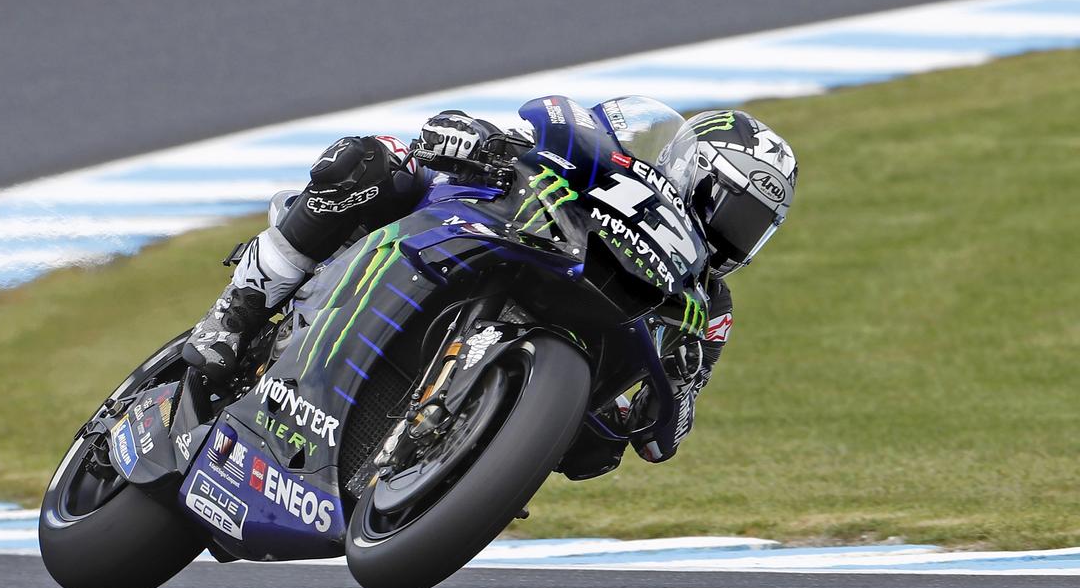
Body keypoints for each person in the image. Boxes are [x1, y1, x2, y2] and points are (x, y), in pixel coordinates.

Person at [181, 98, 797, 474]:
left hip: (560, 380)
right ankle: (236, 312)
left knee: (593, 453)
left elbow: (668, 435)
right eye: (730, 208)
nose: (730, 235)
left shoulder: (705, 307)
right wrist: (476, 142)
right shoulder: (608, 167)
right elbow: (461, 134)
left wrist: (670, 394)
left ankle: (462, 453)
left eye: (751, 228)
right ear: (692, 170)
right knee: (377, 161)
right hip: (480, 234)